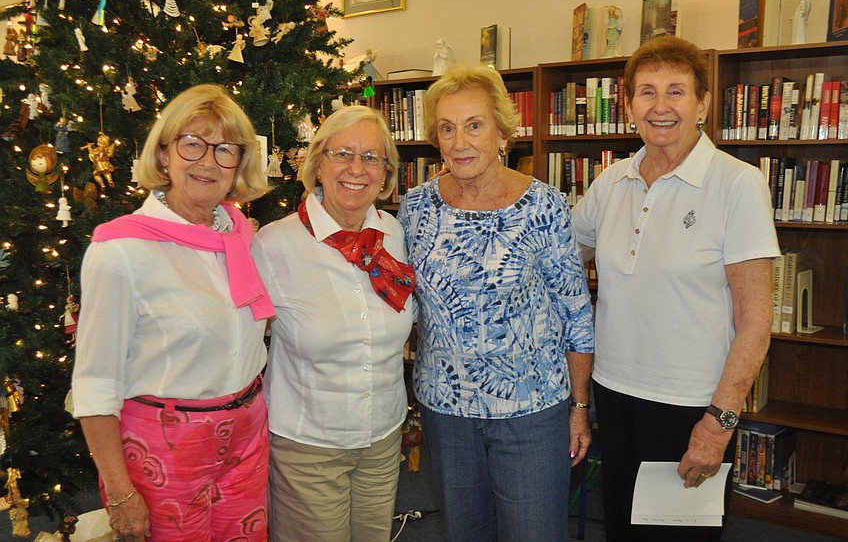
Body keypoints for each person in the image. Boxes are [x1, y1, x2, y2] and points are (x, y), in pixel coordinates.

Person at [570, 36, 780, 542]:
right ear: (627, 106)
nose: (660, 106)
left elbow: (756, 321)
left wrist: (719, 421)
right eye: (646, 92)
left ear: (703, 103)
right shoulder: (612, 182)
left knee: (678, 537)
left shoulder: (737, 184)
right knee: (622, 530)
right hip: (616, 395)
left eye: (676, 91)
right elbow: (562, 260)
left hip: (692, 406)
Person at [398, 65, 594, 541]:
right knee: (465, 533)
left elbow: (575, 312)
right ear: (435, 139)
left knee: (534, 533)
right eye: (447, 128)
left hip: (531, 411)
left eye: (474, 125)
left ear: (502, 130)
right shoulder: (415, 207)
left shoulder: (543, 205)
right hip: (446, 410)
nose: (459, 141)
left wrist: (580, 406)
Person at [72, 84, 273, 541]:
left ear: (239, 163)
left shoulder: (240, 236)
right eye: (192, 143)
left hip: (247, 436)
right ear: (163, 154)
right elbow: (94, 382)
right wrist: (120, 492)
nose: (208, 161)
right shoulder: (120, 250)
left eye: (225, 149)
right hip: (166, 448)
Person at [251, 105, 414, 542]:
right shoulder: (273, 245)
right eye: (343, 153)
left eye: (371, 157)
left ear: (386, 173)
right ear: (318, 163)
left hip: (382, 436)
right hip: (309, 443)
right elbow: (242, 346)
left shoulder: (394, 235)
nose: (356, 169)